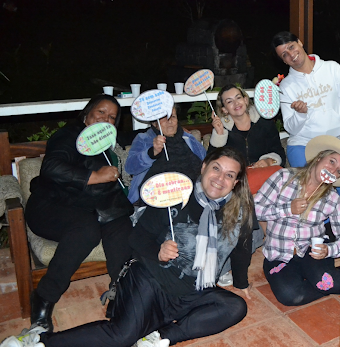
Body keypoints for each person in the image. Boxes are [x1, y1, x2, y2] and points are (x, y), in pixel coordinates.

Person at [3, 148, 253, 347]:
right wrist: (158, 251)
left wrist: (241, 283)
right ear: (204, 167)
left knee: (235, 307)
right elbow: (137, 238)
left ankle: (161, 336)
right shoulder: (175, 196)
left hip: (193, 288)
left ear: (236, 182)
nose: (220, 179)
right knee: (121, 336)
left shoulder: (238, 211)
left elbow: (242, 246)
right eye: (216, 168)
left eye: (229, 175)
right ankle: (38, 342)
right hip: (152, 279)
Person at [24, 95, 134, 332]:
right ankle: (44, 297)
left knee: (121, 224)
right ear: (87, 113)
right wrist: (95, 176)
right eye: (101, 112)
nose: (105, 119)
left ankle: (120, 293)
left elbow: (132, 138)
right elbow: (51, 167)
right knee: (86, 229)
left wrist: (158, 135)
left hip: (92, 206)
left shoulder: (108, 142)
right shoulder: (68, 135)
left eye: (112, 117)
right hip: (51, 205)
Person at [254, 135, 340, 306]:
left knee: (326, 283)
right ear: (319, 158)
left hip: (311, 251)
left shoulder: (332, 198)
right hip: (278, 253)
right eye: (332, 161)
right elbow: (255, 209)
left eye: (339, 171)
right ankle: (330, 281)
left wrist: (329, 250)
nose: (333, 170)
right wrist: (287, 209)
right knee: (290, 296)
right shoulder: (283, 177)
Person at [271, 31, 340, 211]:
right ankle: (316, 222)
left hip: (335, 143)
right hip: (302, 144)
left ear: (300, 42)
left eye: (291, 47)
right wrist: (301, 114)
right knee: (309, 189)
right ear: (283, 61)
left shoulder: (332, 68)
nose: (291, 55)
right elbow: (290, 128)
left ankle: (328, 219)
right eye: (284, 55)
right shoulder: (286, 86)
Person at [209, 84, 286, 195]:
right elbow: (211, 162)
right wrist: (219, 134)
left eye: (238, 98)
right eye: (229, 101)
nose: (236, 103)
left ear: (245, 100)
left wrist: (269, 161)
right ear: (224, 110)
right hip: (239, 180)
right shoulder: (223, 129)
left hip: (265, 175)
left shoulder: (265, 122)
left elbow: (280, 153)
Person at [125, 105, 206, 208]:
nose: (170, 121)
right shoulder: (144, 139)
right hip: (154, 201)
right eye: (165, 118)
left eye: (173, 116)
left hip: (190, 198)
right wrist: (151, 153)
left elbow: (207, 163)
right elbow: (130, 168)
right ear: (154, 123)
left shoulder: (188, 138)